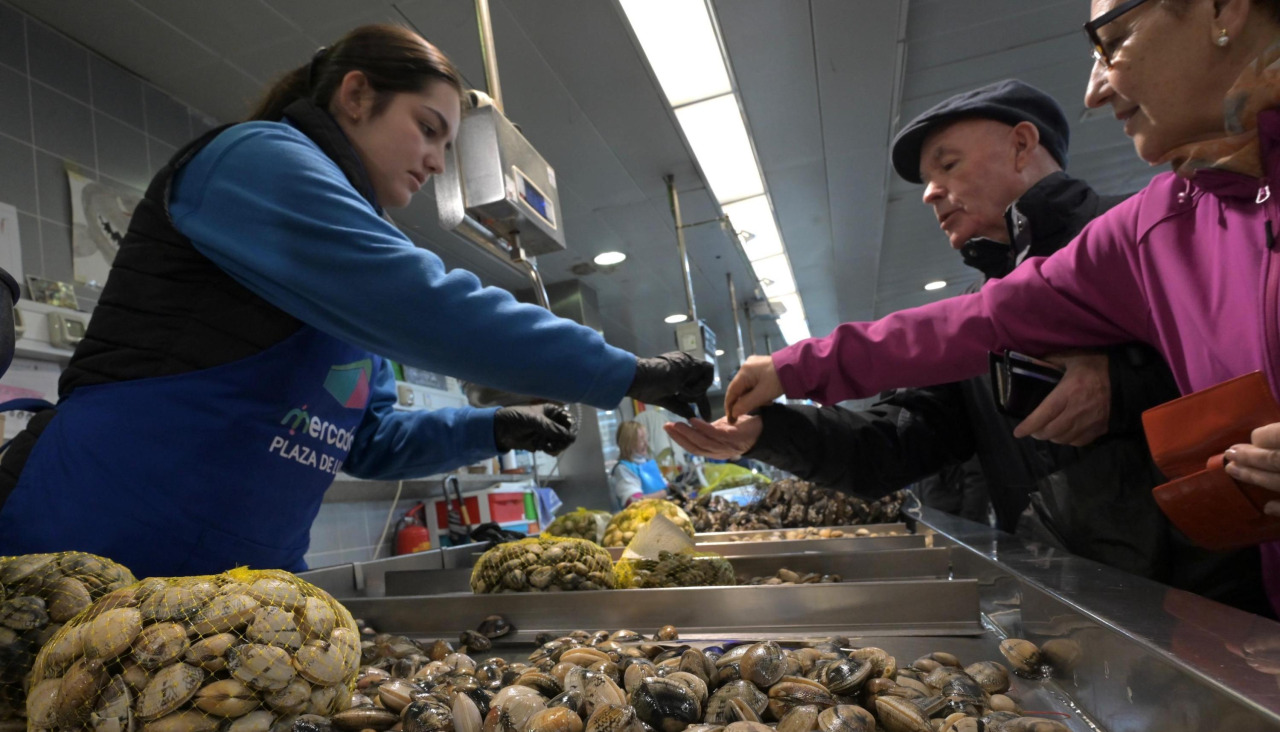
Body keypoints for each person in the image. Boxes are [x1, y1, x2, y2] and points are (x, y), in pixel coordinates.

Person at [0, 25, 712, 579]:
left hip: (240, 586)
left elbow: (361, 440)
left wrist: (494, 427)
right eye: (429, 129)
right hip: (88, 544)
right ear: (356, 96)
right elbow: (426, 304)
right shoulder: (255, 161)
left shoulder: (348, 272)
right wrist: (624, 373)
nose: (437, 162)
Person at [721, 0, 1280, 615]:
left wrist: (1124, 383)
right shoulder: (1154, 226)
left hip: (1217, 602)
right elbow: (970, 333)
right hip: (1093, 610)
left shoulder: (1147, 227)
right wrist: (784, 396)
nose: (1094, 89)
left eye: (1113, 39)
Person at [609, 421, 669, 510]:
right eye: (641, 439)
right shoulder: (622, 469)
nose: (646, 444)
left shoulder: (647, 462)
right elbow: (635, 502)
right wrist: (663, 494)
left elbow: (666, 485)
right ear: (628, 444)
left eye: (646, 439)